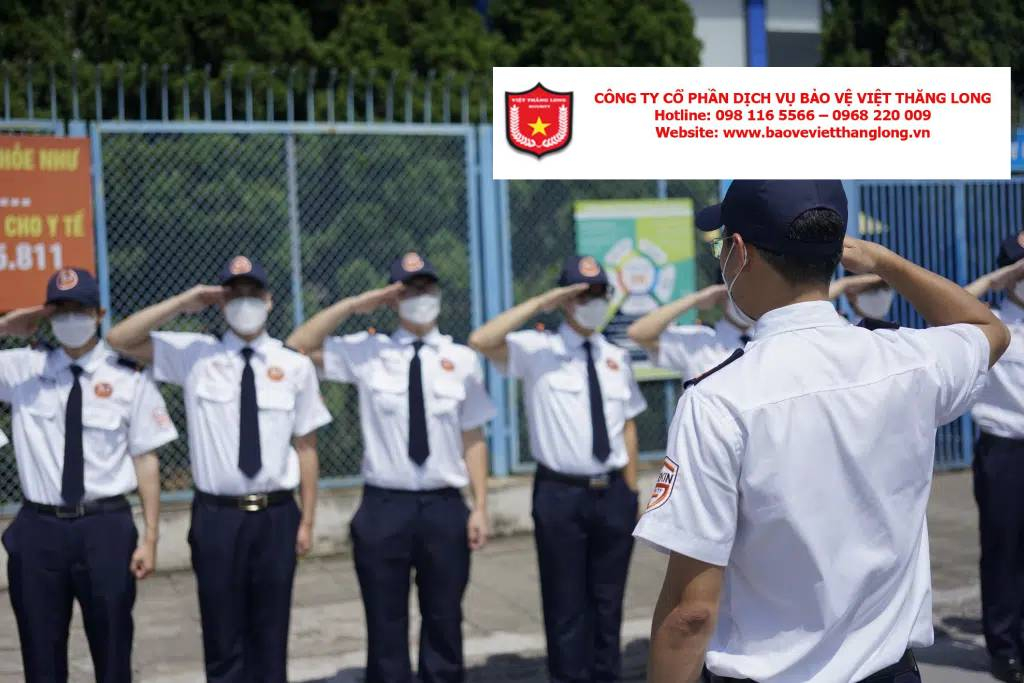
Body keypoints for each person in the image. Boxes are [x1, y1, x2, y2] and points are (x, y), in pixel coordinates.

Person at [633, 180, 1009, 683]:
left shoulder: (721, 399)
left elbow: (691, 613)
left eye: (721, 245)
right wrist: (885, 262)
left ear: (739, 252)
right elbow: (988, 330)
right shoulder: (909, 361)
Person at [106, 256, 332, 683]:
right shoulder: (196, 355)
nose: (244, 302)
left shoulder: (294, 365)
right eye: (234, 294)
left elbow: (307, 447)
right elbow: (120, 339)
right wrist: (184, 301)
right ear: (220, 302)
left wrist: (307, 520)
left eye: (253, 294)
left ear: (269, 300)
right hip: (217, 517)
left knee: (271, 635)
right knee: (222, 635)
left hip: (276, 515)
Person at [286, 252, 494, 683]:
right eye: (408, 289)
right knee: (385, 622)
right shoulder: (370, 351)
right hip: (384, 507)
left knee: (445, 619)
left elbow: (473, 436)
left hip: (444, 506)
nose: (420, 296)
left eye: (426, 288)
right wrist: (355, 305)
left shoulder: (461, 359)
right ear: (392, 298)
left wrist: (480, 506)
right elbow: (298, 346)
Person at [469, 255, 647, 683]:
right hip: (560, 495)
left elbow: (627, 424)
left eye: (600, 293)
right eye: (582, 294)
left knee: (608, 603)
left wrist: (631, 491)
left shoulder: (614, 357)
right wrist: (541, 302)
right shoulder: (537, 349)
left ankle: (606, 677)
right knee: (565, 603)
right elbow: (481, 340)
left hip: (612, 494)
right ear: (565, 300)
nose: (593, 301)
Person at [0, 268, 177, 683]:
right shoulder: (21, 369)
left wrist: (151, 537)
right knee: (40, 657)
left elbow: (145, 458)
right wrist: (6, 326)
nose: (70, 318)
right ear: (46, 315)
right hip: (39, 528)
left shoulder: (127, 377)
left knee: (113, 650)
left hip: (105, 527)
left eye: (79, 309)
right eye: (59, 310)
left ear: (99, 314)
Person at [963, 236, 1024, 682]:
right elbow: (951, 306)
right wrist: (998, 280)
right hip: (1004, 448)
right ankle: (1004, 648)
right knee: (1003, 549)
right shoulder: (990, 322)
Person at [627, 275, 870, 380]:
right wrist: (695, 300)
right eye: (734, 292)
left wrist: (845, 283)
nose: (743, 299)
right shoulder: (699, 342)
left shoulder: (779, 334)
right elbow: (638, 333)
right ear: (719, 295)